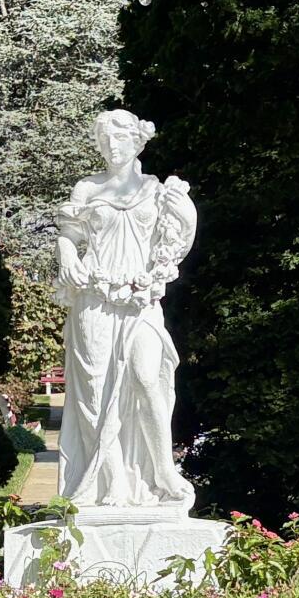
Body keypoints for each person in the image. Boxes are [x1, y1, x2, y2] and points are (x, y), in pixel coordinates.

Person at [55, 110, 197, 514]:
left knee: (147, 376)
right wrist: (67, 254)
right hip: (94, 297)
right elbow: (69, 234)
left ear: (137, 141)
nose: (111, 146)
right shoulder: (88, 187)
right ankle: (112, 480)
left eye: (119, 138)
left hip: (140, 298)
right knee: (96, 393)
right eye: (104, 139)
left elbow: (177, 244)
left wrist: (186, 212)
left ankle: (164, 471)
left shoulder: (157, 190)